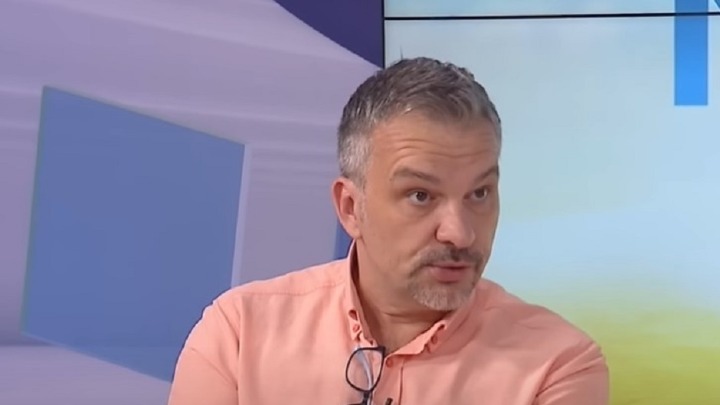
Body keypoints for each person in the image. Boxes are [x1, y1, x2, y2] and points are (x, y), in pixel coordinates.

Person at [167, 57, 609, 405]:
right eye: (420, 195)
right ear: (350, 208)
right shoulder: (239, 335)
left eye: (479, 193)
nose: (460, 234)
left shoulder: (557, 365)